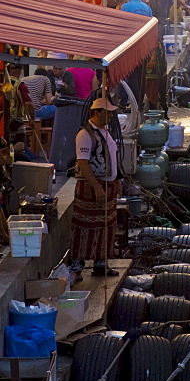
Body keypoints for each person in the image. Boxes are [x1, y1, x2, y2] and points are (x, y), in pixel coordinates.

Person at [68, 97, 121, 280]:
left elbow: (112, 157)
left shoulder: (104, 132)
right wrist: (97, 187)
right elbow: (83, 163)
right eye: (107, 112)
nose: (111, 115)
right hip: (92, 187)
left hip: (108, 184)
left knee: (106, 225)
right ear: (96, 112)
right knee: (84, 226)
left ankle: (101, 263)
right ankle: (76, 265)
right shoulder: (85, 134)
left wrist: (117, 180)